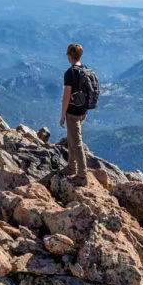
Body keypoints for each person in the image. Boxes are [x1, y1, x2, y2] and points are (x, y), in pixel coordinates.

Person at [60, 43, 90, 185]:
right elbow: (88, 93)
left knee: (76, 143)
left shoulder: (70, 73)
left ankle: (82, 175)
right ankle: (71, 167)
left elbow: (66, 96)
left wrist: (62, 116)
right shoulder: (85, 71)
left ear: (69, 55)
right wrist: (86, 111)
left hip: (72, 111)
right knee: (72, 139)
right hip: (82, 110)